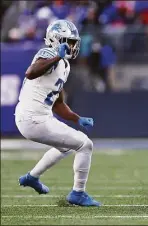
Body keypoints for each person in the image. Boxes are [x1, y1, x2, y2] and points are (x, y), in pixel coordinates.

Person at [15, 19, 100, 207]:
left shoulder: (64, 65)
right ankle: (78, 193)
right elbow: (31, 72)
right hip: (33, 118)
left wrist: (78, 119)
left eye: (73, 42)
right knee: (85, 145)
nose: (72, 46)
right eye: (68, 41)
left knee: (67, 146)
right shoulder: (49, 53)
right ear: (56, 40)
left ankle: (32, 177)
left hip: (39, 117)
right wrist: (56, 57)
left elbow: (58, 103)